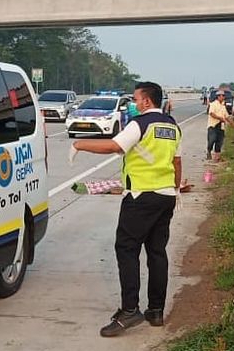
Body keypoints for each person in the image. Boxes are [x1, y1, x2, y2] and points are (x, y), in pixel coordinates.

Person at [68, 81, 182, 336]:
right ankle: (156, 311)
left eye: (135, 99)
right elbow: (176, 161)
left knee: (126, 249)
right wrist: (174, 191)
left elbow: (114, 147)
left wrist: (78, 145)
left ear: (146, 102)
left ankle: (130, 310)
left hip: (141, 196)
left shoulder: (139, 124)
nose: (133, 103)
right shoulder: (172, 126)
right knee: (156, 252)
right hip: (165, 196)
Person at [207, 90, 232, 161]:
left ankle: (216, 157)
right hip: (213, 125)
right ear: (218, 96)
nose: (223, 97)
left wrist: (232, 123)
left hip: (221, 126)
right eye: (222, 96)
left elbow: (227, 116)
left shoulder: (223, 106)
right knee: (212, 140)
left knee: (219, 141)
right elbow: (211, 113)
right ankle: (209, 150)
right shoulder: (213, 104)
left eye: (224, 96)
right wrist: (219, 118)